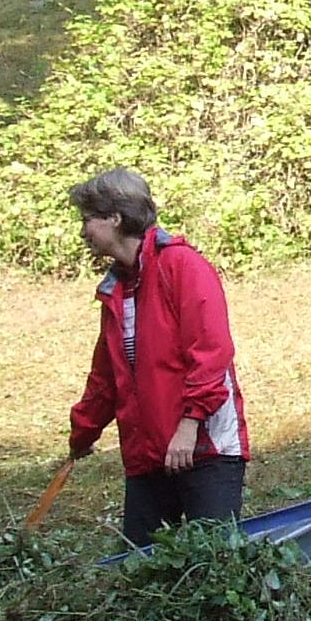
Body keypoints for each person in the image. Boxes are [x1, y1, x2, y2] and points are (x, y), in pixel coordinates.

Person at [68, 168, 250, 547]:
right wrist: (82, 434)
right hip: (148, 456)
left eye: (87, 220)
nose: (83, 232)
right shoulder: (115, 289)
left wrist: (189, 424)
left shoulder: (182, 265)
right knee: (140, 566)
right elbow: (106, 377)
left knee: (214, 563)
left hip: (205, 449)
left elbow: (211, 351)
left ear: (115, 218)